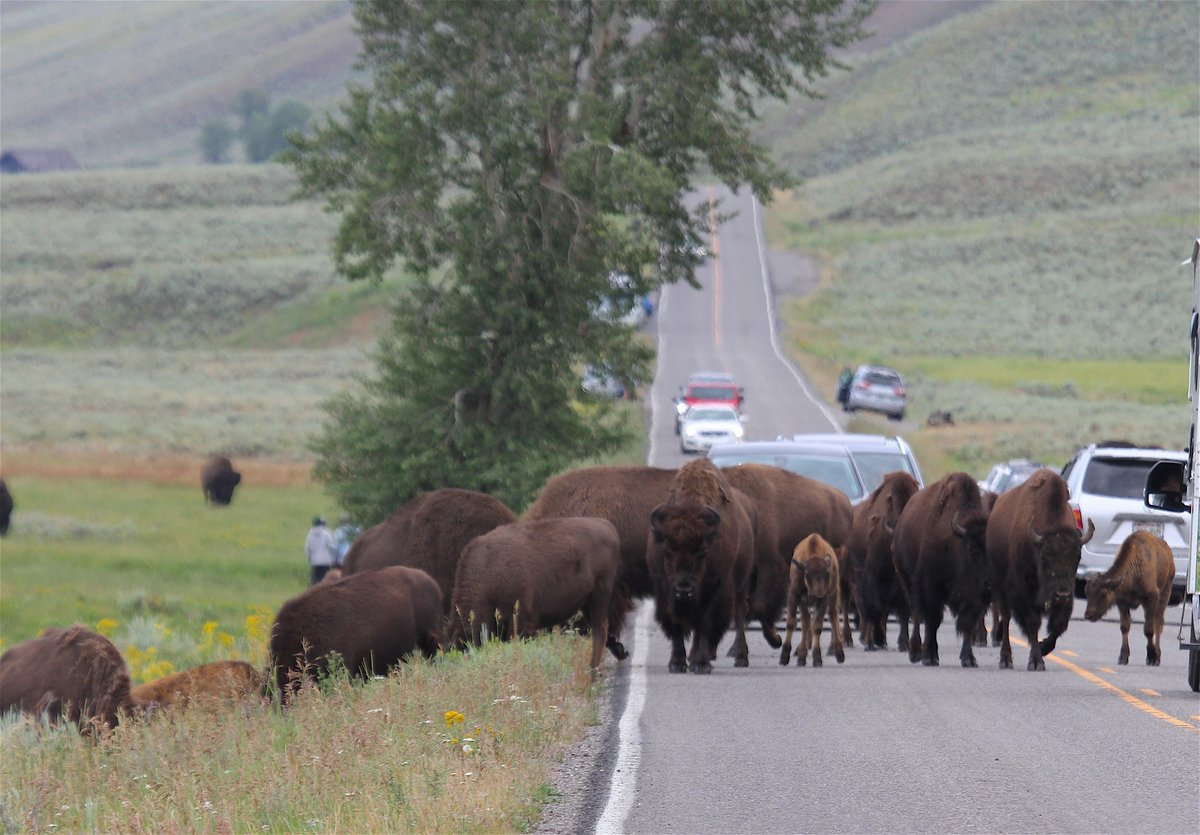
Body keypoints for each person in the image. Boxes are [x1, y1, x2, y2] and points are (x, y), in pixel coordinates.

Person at [304, 516, 337, 585]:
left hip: (315, 560)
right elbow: (332, 546)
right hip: (326, 560)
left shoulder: (310, 534)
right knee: (324, 579)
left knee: (315, 579)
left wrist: (310, 558)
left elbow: (307, 548)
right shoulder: (327, 533)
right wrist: (333, 558)